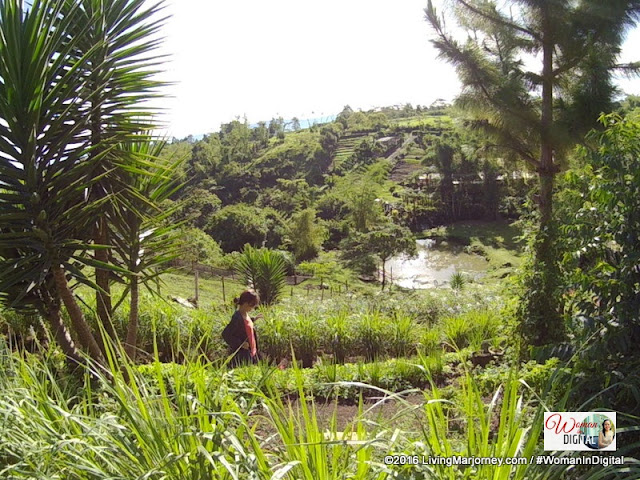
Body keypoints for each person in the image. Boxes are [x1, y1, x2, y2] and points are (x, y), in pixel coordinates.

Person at [221, 290, 263, 367]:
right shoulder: (237, 317)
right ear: (245, 303)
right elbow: (226, 334)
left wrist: (253, 319)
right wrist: (240, 344)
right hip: (242, 356)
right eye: (252, 305)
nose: (253, 308)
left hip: (252, 353)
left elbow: (245, 325)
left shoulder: (246, 315)